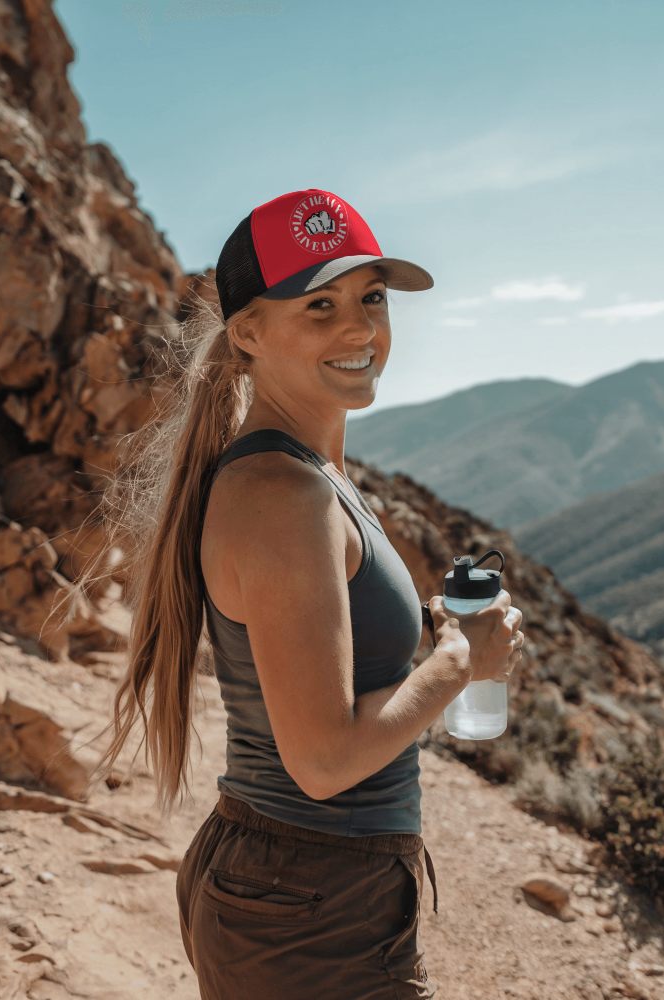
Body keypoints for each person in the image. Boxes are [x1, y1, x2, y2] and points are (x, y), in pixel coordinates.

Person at [87, 187, 525, 999]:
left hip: (304, 891)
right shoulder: (284, 495)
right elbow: (323, 761)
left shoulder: (307, 474)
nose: (360, 329)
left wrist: (443, 655)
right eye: (318, 306)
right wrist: (459, 662)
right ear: (248, 332)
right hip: (311, 903)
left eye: (370, 298)